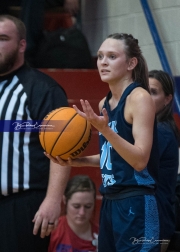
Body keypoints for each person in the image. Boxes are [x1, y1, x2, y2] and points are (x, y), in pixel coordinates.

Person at [46, 33, 161, 251]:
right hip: (110, 202)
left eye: (111, 56)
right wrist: (76, 162)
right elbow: (114, 157)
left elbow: (139, 160)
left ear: (131, 63)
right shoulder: (103, 103)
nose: (103, 62)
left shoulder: (139, 98)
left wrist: (104, 129)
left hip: (136, 202)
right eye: (100, 56)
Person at [0, 14, 71, 252]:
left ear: (22, 45)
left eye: (3, 38)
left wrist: (53, 200)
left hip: (22, 205)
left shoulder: (43, 89)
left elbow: (62, 148)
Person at [149, 70, 179, 251]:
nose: (145, 97)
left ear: (167, 99)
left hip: (156, 220)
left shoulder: (162, 131)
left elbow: (127, 161)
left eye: (152, 92)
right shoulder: (151, 128)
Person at [48, 175, 99, 252]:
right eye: (76, 206)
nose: (82, 213)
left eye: (88, 206)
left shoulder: (102, 236)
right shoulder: (52, 231)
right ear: (65, 200)